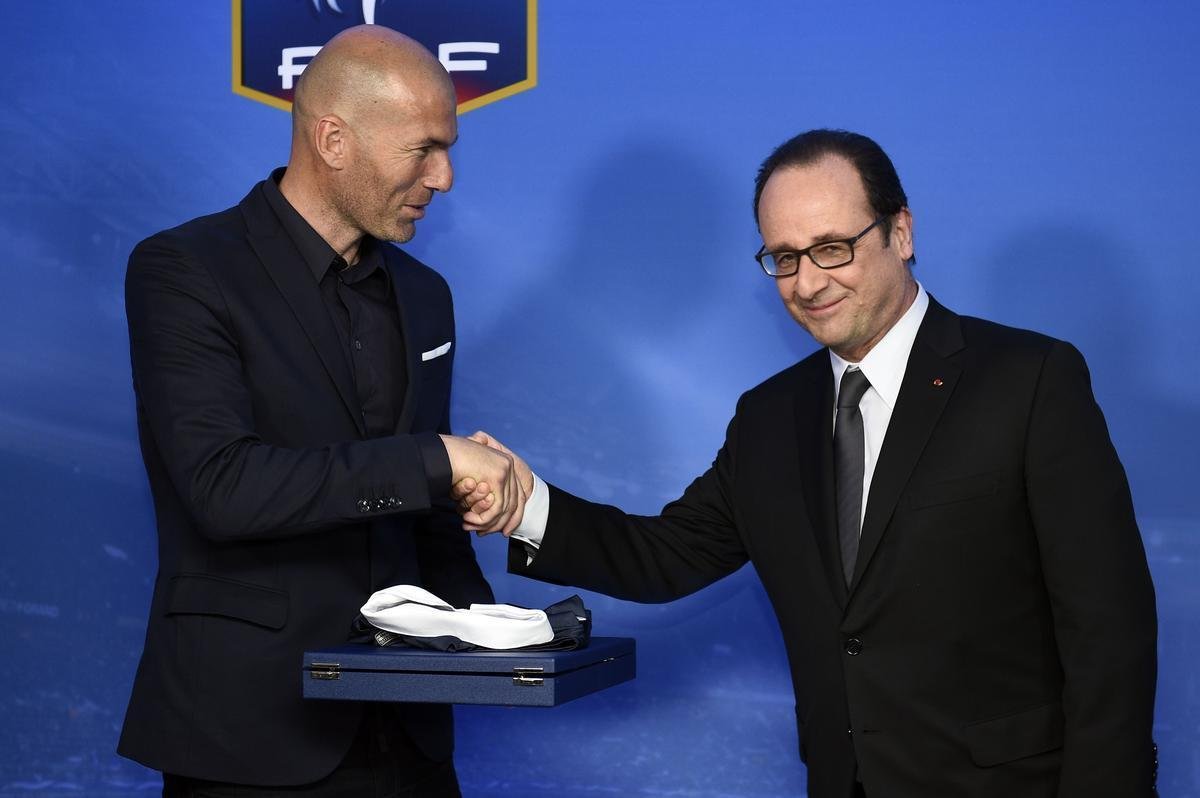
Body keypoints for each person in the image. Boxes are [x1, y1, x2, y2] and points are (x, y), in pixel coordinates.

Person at [457, 130, 1158, 797]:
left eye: (831, 247)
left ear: (901, 233)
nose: (807, 281)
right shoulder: (769, 417)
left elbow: (1109, 629)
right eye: (783, 257)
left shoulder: (1027, 380)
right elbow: (663, 556)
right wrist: (525, 505)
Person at [118, 25, 526, 797]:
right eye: (423, 148)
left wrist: (493, 635)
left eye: (451, 147)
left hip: (410, 739)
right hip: (250, 740)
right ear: (333, 138)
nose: (444, 176)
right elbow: (221, 487)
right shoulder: (183, 270)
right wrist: (434, 459)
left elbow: (424, 515)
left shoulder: (424, 295)